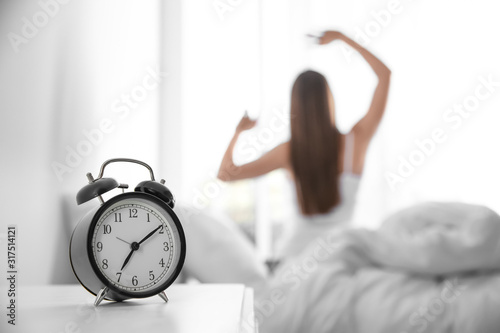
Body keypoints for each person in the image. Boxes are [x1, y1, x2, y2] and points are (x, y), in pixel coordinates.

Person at [217, 30, 391, 258]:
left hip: (294, 262)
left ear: (295, 107)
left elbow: (226, 174)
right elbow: (385, 75)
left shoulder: (288, 152)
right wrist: (342, 38)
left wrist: (238, 132)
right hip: (343, 258)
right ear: (329, 100)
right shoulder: (356, 140)